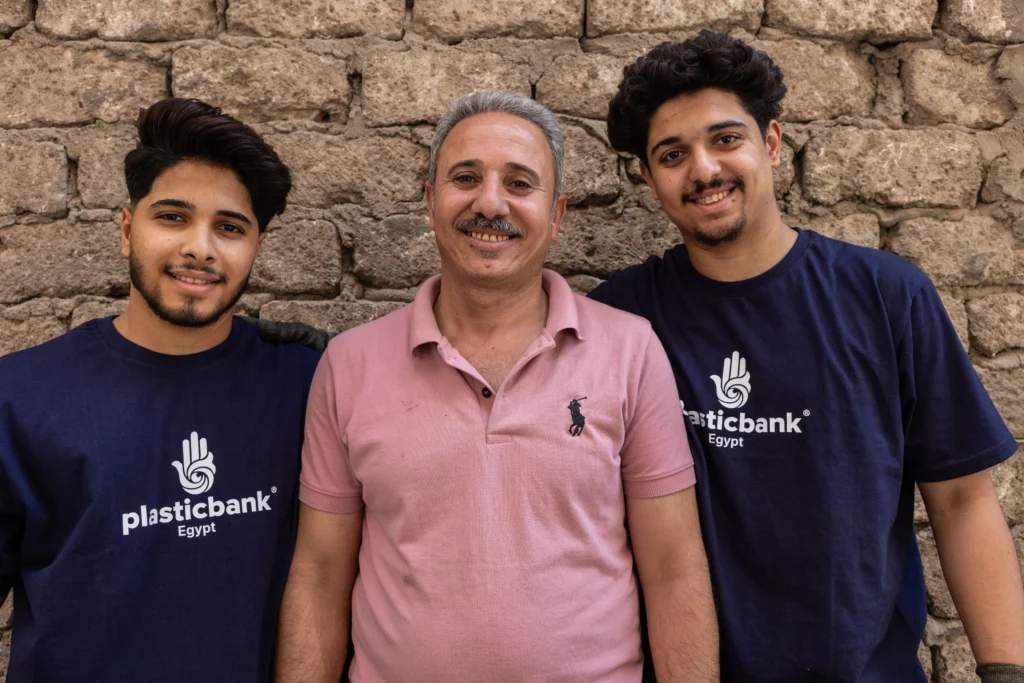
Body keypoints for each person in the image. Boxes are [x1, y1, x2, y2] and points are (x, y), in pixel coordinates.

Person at [590, 30, 1024, 683]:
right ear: (649, 178)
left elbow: (962, 499)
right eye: (673, 154)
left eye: (726, 139)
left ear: (771, 142)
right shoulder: (623, 317)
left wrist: (1005, 671)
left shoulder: (887, 296)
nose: (704, 169)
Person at [275, 92, 719, 683]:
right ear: (431, 202)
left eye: (519, 183)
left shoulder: (630, 350)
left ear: (556, 215)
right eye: (466, 178)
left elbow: (673, 570)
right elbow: (321, 572)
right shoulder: (349, 364)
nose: (490, 202)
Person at [0, 98, 320, 682]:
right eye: (172, 217)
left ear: (255, 250)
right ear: (127, 230)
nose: (200, 247)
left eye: (230, 227)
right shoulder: (18, 398)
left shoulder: (308, 385)